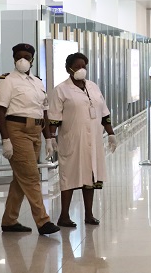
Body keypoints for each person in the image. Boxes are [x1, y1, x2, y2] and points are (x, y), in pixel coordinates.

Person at [0, 43, 60, 235]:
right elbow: (0, 110)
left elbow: (44, 110)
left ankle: (9, 220)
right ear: (14, 58)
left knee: (20, 178)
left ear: (32, 59)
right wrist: (5, 139)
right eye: (19, 56)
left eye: (26, 56)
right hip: (17, 130)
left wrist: (48, 138)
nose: (22, 59)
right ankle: (43, 221)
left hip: (36, 129)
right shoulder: (7, 80)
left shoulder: (37, 81)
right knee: (31, 177)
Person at [48, 52, 117, 227]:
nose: (81, 69)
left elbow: (104, 113)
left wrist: (111, 133)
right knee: (69, 176)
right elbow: (54, 117)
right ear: (68, 69)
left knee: (91, 176)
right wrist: (51, 138)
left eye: (83, 66)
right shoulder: (61, 90)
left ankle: (89, 214)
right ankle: (64, 216)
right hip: (72, 140)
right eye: (77, 66)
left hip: (93, 140)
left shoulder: (93, 87)